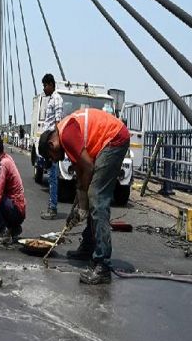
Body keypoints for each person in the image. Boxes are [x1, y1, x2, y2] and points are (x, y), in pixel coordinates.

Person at [39, 108, 130, 285]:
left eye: (52, 157)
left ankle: (102, 264)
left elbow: (88, 167)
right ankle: (88, 247)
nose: (56, 160)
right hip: (111, 138)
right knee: (91, 196)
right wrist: (79, 204)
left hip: (114, 138)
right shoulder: (66, 135)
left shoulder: (66, 134)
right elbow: (81, 178)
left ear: (52, 145)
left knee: (97, 198)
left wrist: (83, 206)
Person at [40, 73, 63, 220]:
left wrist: (55, 145)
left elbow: (58, 123)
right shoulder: (51, 100)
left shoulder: (57, 99)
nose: (44, 89)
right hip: (48, 143)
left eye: (45, 86)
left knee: (53, 177)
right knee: (50, 176)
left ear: (50, 84)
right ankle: (51, 205)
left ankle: (53, 208)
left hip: (52, 144)